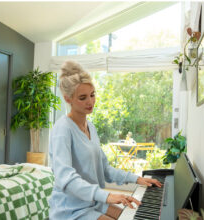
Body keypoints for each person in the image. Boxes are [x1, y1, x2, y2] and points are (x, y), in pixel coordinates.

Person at [49, 60, 162, 220]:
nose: (90, 101)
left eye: (92, 95)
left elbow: (105, 169)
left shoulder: (91, 127)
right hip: (71, 209)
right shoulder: (62, 130)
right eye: (83, 98)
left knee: (131, 215)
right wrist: (107, 195)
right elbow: (65, 178)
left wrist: (136, 179)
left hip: (93, 202)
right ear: (68, 99)